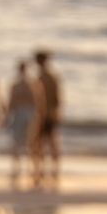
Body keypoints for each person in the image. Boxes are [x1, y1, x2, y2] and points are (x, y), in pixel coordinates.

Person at [6, 60, 40, 186]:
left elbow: (12, 102)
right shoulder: (30, 83)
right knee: (25, 143)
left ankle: (24, 169)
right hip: (26, 113)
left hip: (23, 113)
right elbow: (37, 102)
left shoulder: (20, 84)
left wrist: (7, 117)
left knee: (22, 143)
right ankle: (27, 169)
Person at [33, 50, 62, 183]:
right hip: (49, 114)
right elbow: (58, 99)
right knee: (49, 143)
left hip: (44, 115)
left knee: (42, 144)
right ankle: (51, 171)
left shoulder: (44, 77)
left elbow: (42, 99)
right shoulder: (51, 76)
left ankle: (43, 171)